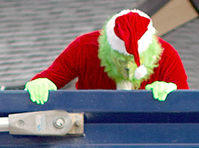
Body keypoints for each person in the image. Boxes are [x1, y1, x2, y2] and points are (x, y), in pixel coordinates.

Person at [25, 8, 188, 104]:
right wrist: (42, 83)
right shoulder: (84, 47)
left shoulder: (166, 54)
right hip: (91, 125)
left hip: (147, 129)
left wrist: (174, 95)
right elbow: (52, 78)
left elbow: (188, 103)